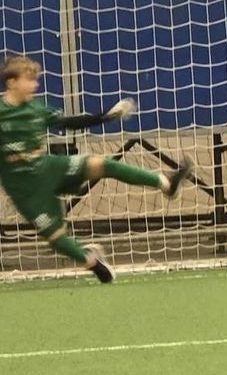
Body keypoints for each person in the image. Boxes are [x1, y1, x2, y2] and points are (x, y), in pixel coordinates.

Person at [0, 55, 192, 284]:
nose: (35, 85)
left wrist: (106, 116)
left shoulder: (36, 109)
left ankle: (167, 184)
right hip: (24, 188)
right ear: (12, 83)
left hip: (46, 167)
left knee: (101, 164)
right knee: (56, 238)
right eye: (29, 80)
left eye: (35, 80)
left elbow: (71, 123)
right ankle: (91, 262)